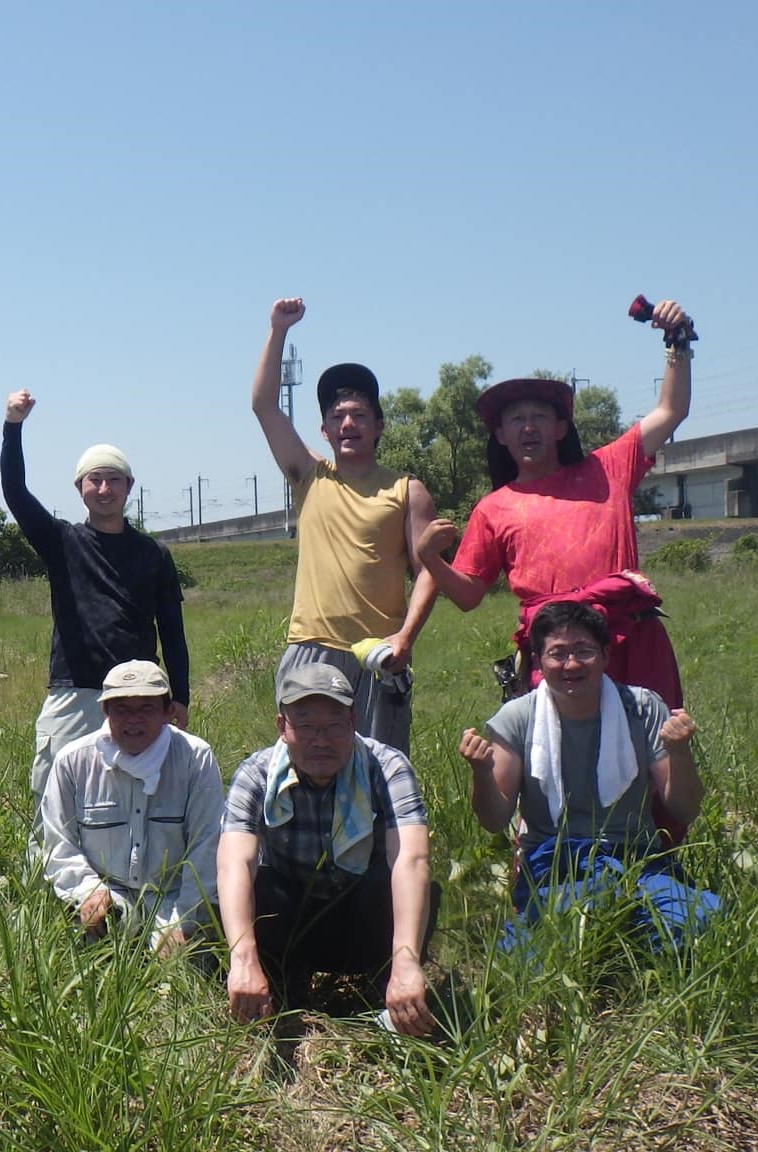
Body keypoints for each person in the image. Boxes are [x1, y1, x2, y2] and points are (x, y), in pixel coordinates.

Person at [415, 299, 696, 709]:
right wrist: (429, 558)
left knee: (652, 745)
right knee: (558, 751)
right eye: (516, 419)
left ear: (561, 428)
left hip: (631, 640)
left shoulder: (609, 468)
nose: (529, 427)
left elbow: (671, 410)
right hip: (556, 653)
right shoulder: (493, 508)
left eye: (540, 417)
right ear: (500, 435)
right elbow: (468, 595)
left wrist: (678, 342)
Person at [459, 600, 718, 951]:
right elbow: (494, 820)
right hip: (555, 863)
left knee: (702, 921)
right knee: (565, 933)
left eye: (584, 651)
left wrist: (679, 751)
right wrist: (481, 771)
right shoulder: (517, 717)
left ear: (606, 655)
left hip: (636, 859)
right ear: (538, 660)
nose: (571, 664)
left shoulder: (642, 708)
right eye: (558, 653)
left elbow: (685, 809)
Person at [251, 298, 438, 754]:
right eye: (337, 417)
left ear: (379, 426)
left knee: (379, 767)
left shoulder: (407, 490)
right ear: (325, 431)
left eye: (359, 415)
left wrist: (405, 639)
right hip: (310, 646)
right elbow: (264, 406)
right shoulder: (309, 476)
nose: (348, 423)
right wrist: (278, 330)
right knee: (304, 766)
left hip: (378, 653)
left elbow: (429, 571)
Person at [218, 663, 438, 1036]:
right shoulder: (255, 773)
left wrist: (406, 958)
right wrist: (242, 957)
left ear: (353, 722)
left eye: (335, 725)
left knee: (403, 883)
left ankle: (388, 982)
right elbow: (232, 862)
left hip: (360, 915)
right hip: (291, 919)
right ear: (282, 727)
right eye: (305, 726)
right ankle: (280, 983)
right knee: (258, 884)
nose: (321, 741)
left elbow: (412, 859)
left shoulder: (387, 767)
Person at [0, 390, 190, 819]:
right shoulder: (62, 541)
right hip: (76, 690)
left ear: (129, 487)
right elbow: (15, 492)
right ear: (80, 488)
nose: (104, 489)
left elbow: (172, 631)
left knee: (137, 799)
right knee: (55, 799)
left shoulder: (154, 554)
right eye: (95, 480)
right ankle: (49, 863)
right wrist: (13, 426)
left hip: (139, 693)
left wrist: (179, 697)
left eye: (114, 480)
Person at [38, 660, 222, 954]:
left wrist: (183, 922)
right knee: (86, 948)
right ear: (105, 711)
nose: (133, 720)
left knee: (186, 964)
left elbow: (207, 846)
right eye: (121, 709)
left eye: (146, 709)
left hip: (173, 897)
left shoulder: (195, 758)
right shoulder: (72, 762)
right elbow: (59, 846)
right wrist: (88, 890)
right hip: (107, 894)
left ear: (168, 713)